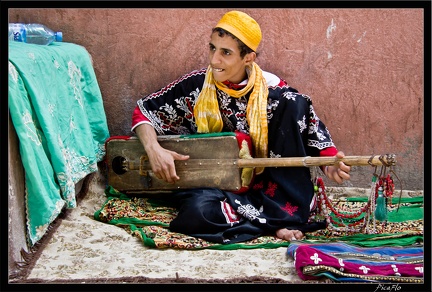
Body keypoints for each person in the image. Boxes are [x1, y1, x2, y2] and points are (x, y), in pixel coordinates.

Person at [131, 10, 351, 243]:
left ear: (248, 58)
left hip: (267, 187)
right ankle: (274, 222)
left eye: (226, 52)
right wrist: (153, 149)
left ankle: (272, 216)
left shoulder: (272, 89)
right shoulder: (196, 86)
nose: (214, 60)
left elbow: (305, 123)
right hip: (215, 186)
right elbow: (143, 111)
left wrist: (329, 163)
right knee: (198, 212)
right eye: (212, 48)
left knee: (293, 102)